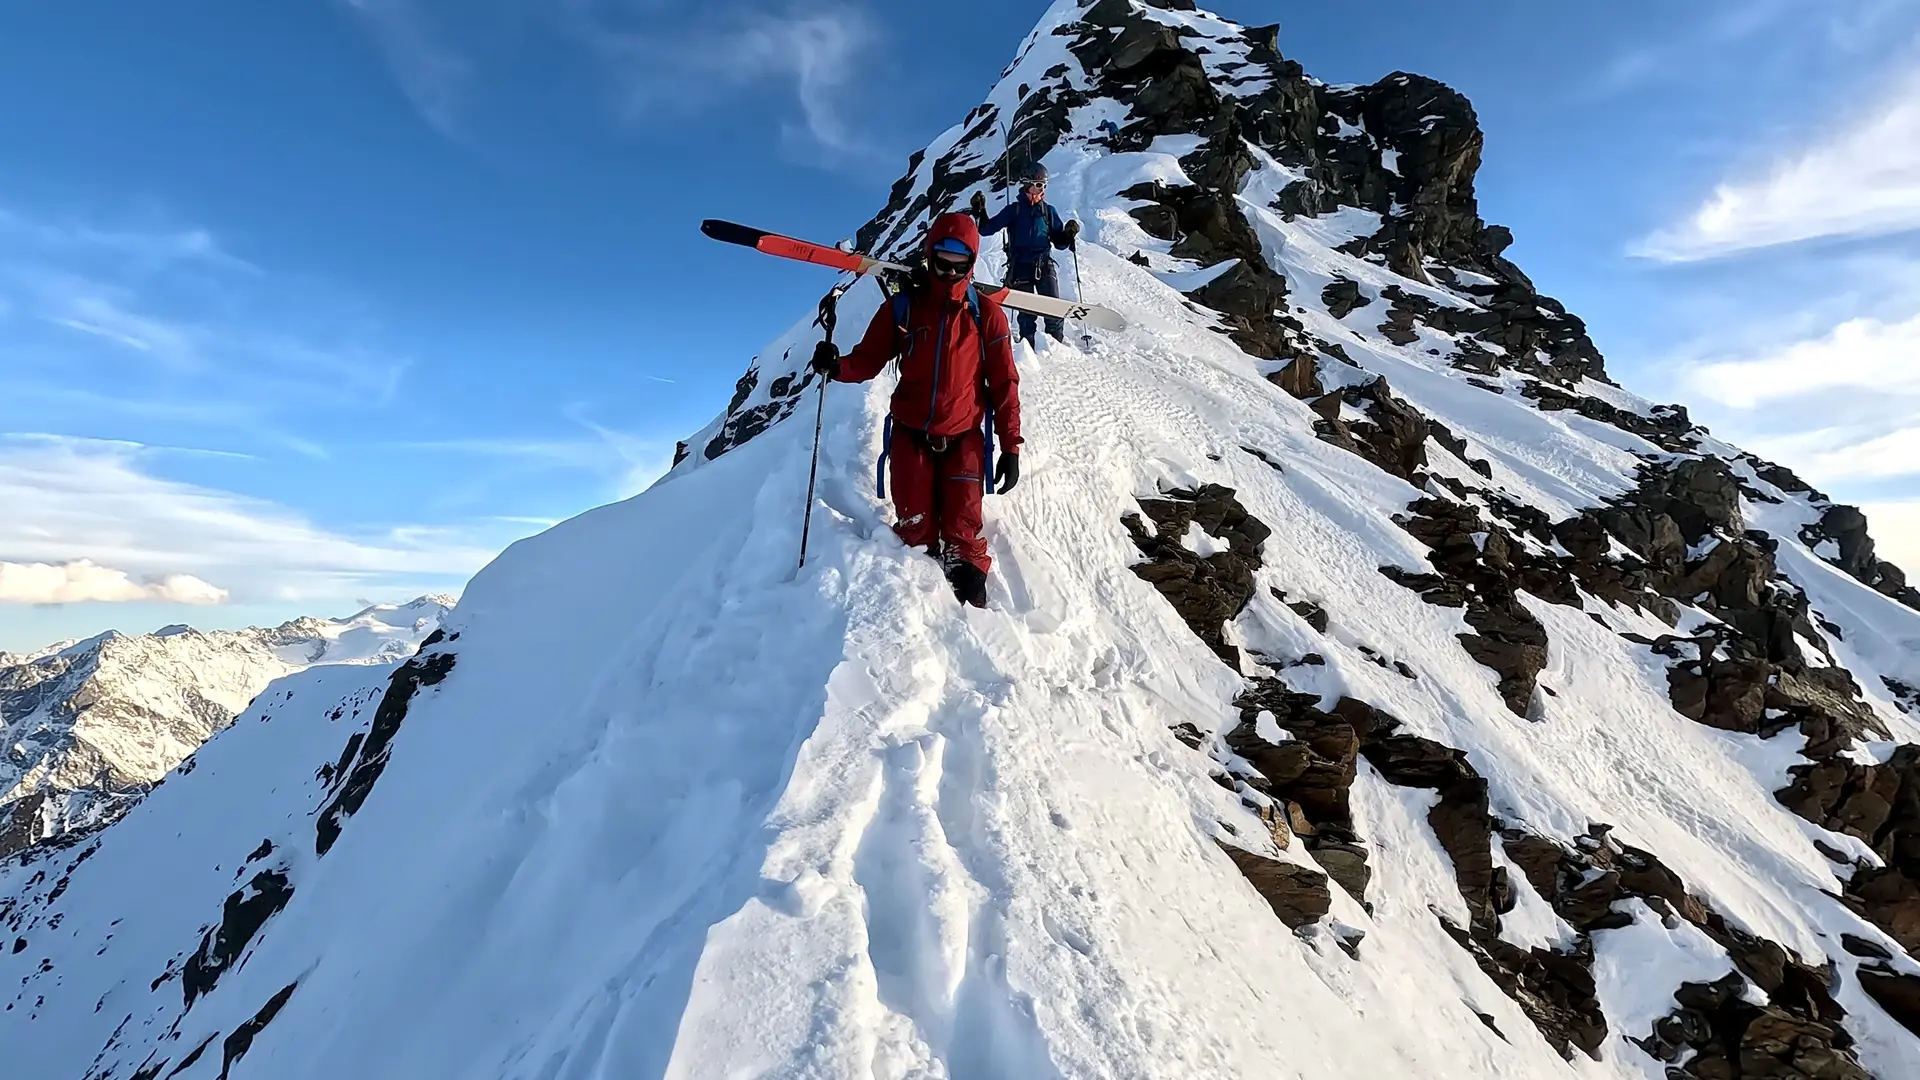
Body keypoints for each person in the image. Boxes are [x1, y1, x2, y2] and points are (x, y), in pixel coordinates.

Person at [810, 212, 1021, 608]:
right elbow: (867, 360)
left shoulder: (986, 315)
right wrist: (836, 366)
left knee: (965, 547)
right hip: (911, 438)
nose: (950, 268)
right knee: (915, 539)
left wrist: (1010, 445)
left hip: (964, 441)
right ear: (930, 253)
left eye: (960, 261)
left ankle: (973, 626)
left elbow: (1006, 383)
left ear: (972, 261)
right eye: (943, 257)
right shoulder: (903, 308)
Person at [970, 165, 1079, 347]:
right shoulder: (1014, 211)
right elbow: (986, 229)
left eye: (1044, 185)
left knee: (1054, 310)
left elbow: (1059, 243)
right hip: (1020, 267)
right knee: (1027, 315)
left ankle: (1057, 351)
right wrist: (980, 212)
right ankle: (1027, 352)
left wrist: (1068, 235)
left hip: (1044, 265)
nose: (1041, 190)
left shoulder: (1048, 211)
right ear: (1027, 185)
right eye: (1038, 184)